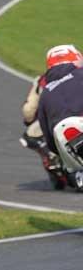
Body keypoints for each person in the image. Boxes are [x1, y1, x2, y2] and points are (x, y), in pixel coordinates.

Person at [36, 45, 83, 187]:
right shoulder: (80, 74)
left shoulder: (45, 93)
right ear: (77, 59)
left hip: (62, 139)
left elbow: (48, 137)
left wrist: (57, 151)